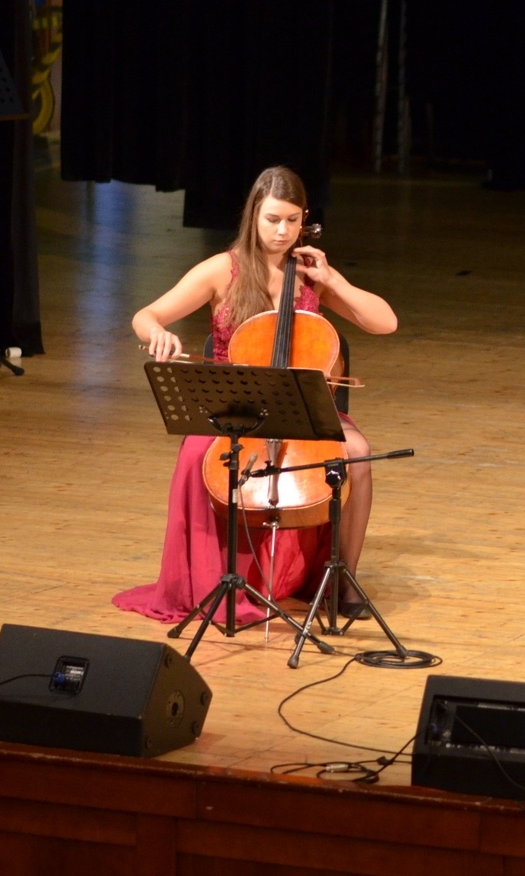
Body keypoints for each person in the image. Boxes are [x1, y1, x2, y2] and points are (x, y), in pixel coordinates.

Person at [113, 166, 398, 624]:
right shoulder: (222, 270)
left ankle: (343, 581)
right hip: (236, 405)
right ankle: (217, 579)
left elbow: (385, 323)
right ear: (253, 216)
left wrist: (334, 281)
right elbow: (147, 315)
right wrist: (158, 334)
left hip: (300, 406)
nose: (283, 231)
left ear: (304, 219)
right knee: (198, 455)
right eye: (272, 220)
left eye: (292, 220)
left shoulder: (310, 273)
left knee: (358, 453)